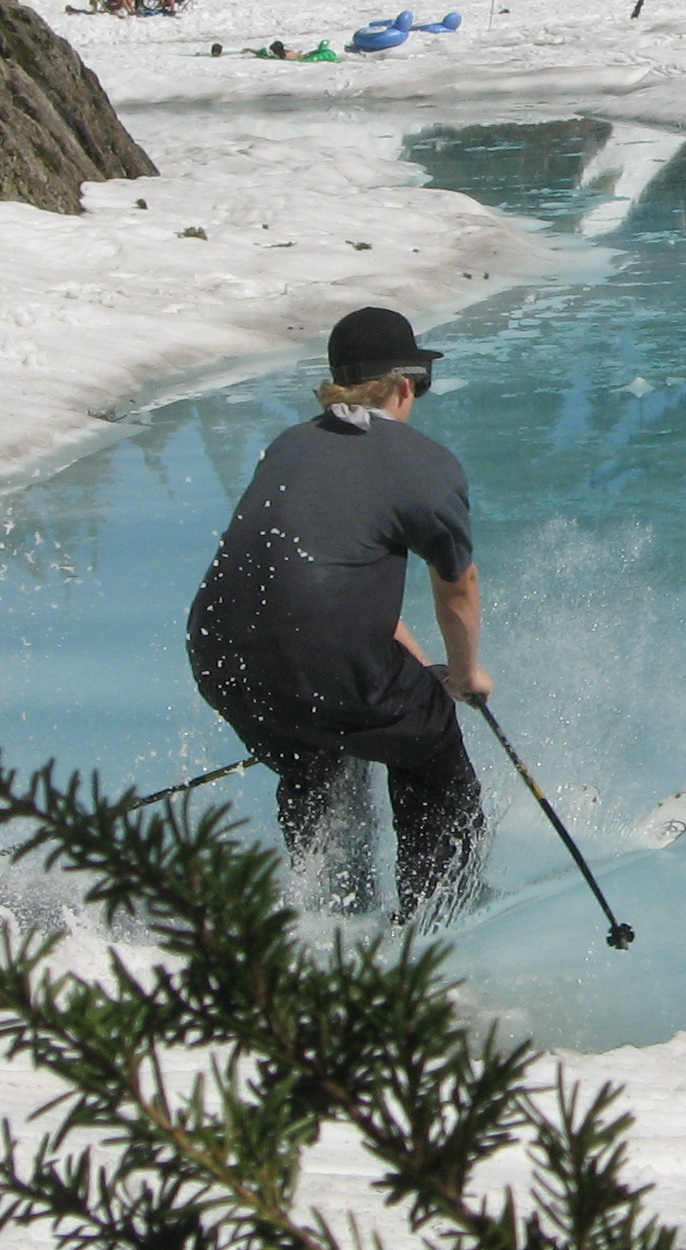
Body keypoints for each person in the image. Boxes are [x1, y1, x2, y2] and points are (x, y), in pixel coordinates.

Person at [186, 307, 490, 921]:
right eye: (420, 385)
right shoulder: (425, 464)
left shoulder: (292, 444)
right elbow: (458, 587)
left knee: (316, 758)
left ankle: (331, 907)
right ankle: (443, 908)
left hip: (221, 660)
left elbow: (316, 572)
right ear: (406, 384)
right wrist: (463, 675)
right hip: (321, 658)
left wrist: (397, 647)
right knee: (426, 739)